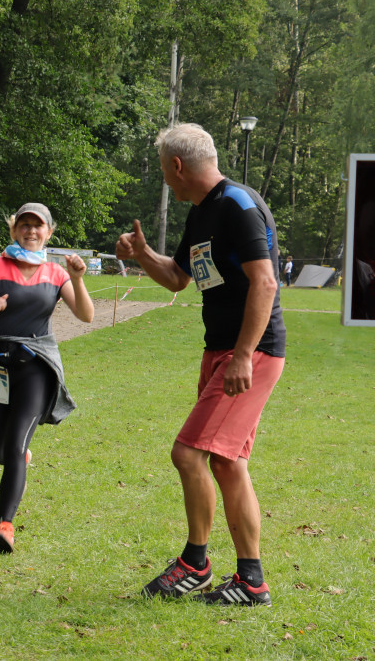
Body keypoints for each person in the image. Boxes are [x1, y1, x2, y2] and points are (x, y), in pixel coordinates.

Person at [116, 123, 286, 607]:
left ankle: (196, 563)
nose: (167, 184)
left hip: (249, 354)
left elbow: (266, 284)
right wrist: (142, 253)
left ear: (177, 166)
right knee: (227, 462)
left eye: (165, 174)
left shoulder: (238, 206)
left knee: (188, 453)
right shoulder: (203, 213)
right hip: (223, 352)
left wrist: (241, 356)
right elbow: (177, 279)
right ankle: (251, 583)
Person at [0, 203, 93, 554]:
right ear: (14, 230)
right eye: (24, 225)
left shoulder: (55, 273)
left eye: (38, 226)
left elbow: (86, 315)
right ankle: (19, 461)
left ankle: (4, 526)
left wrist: (77, 277)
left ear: (49, 233)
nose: (31, 231)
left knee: (15, 445)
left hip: (34, 366)